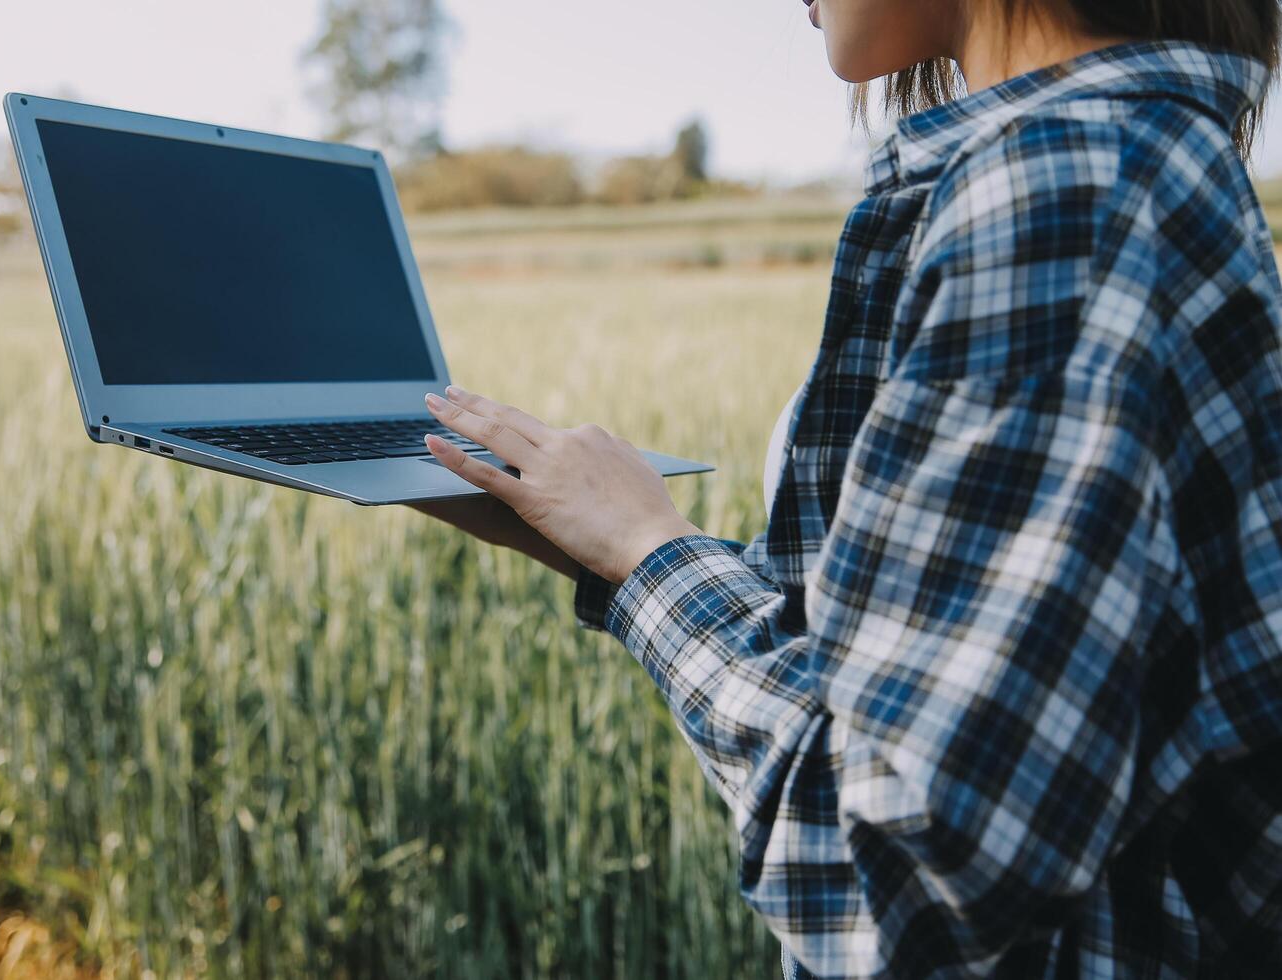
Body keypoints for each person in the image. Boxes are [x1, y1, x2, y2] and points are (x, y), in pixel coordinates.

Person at [411, 0, 1282, 975]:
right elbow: (926, 675)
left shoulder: (1067, 195)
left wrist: (648, 556)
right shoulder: (1140, 166)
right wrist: (604, 539)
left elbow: (903, 866)